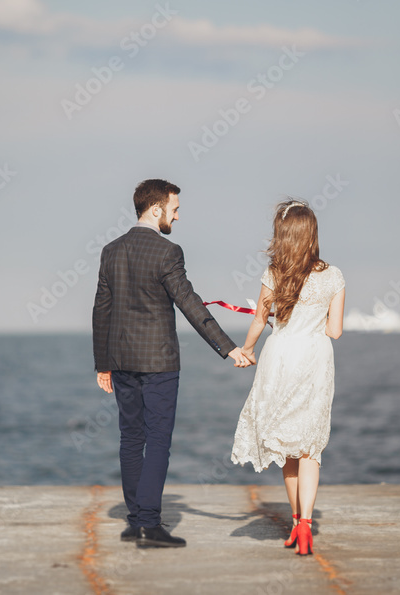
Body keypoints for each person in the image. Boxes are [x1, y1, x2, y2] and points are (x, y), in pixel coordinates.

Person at [92, 178, 255, 549]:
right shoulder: (168, 252)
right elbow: (190, 303)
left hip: (120, 361)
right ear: (155, 209)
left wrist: (103, 364)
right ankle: (150, 525)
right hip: (159, 364)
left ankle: (135, 522)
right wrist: (229, 348)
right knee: (159, 442)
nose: (177, 217)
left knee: (131, 439)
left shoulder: (110, 250)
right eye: (175, 209)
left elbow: (101, 310)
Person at [230, 199, 346, 555]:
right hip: (314, 358)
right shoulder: (334, 275)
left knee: (288, 449)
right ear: (312, 234)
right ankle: (307, 526)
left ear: (281, 236)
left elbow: (259, 320)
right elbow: (335, 331)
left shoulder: (273, 273)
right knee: (310, 446)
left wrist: (246, 350)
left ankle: (296, 522)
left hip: (280, 356)